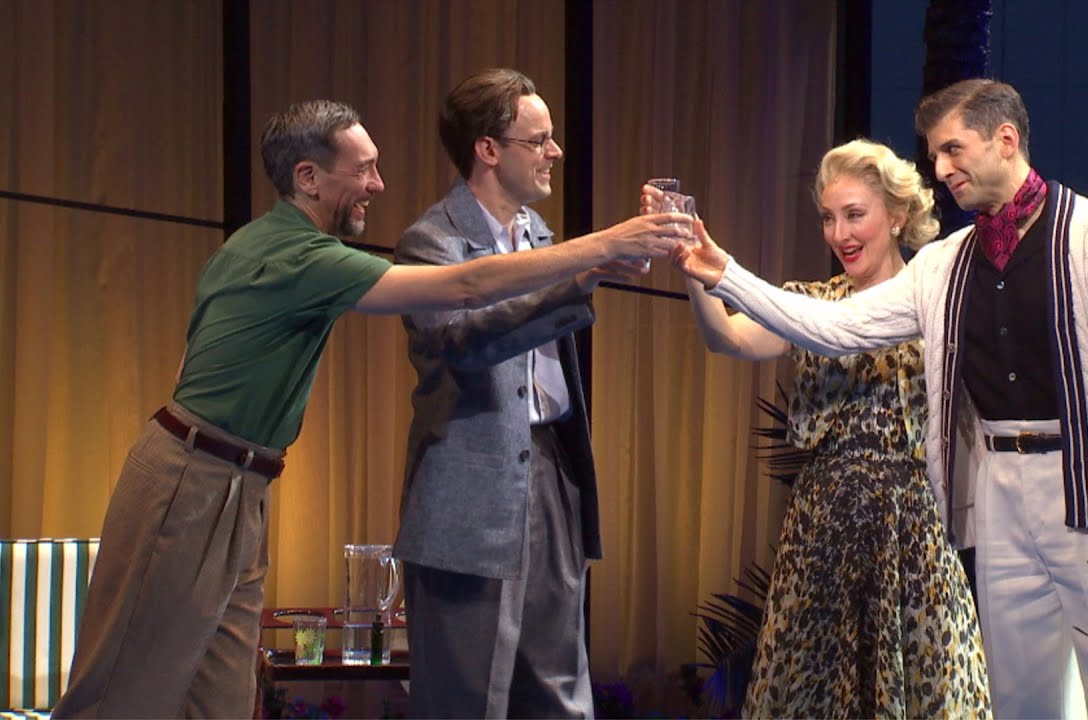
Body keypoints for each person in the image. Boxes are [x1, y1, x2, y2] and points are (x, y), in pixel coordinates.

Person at [51, 99, 687, 719]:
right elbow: (464, 288)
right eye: (363, 170)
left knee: (218, 697)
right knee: (122, 695)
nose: (378, 185)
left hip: (242, 482)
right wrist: (603, 246)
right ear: (308, 177)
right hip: (192, 477)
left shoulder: (264, 245)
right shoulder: (299, 255)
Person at [672, 79, 1088, 720]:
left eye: (952, 149)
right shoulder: (945, 263)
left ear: (1005, 139)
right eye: (935, 155)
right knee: (1021, 697)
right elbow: (836, 327)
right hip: (999, 497)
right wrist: (725, 274)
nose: (940, 169)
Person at [646, 138, 991, 718]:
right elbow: (727, 338)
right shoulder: (810, 303)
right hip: (821, 532)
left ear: (897, 215)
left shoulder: (937, 304)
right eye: (829, 218)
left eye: (855, 215)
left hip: (912, 535)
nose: (839, 234)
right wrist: (694, 271)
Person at [392, 68, 649, 719]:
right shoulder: (434, 240)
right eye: (538, 141)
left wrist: (585, 267)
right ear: (488, 149)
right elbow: (464, 342)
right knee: (466, 696)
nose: (554, 152)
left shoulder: (540, 235)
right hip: (468, 490)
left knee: (560, 691)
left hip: (550, 475)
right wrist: (580, 272)